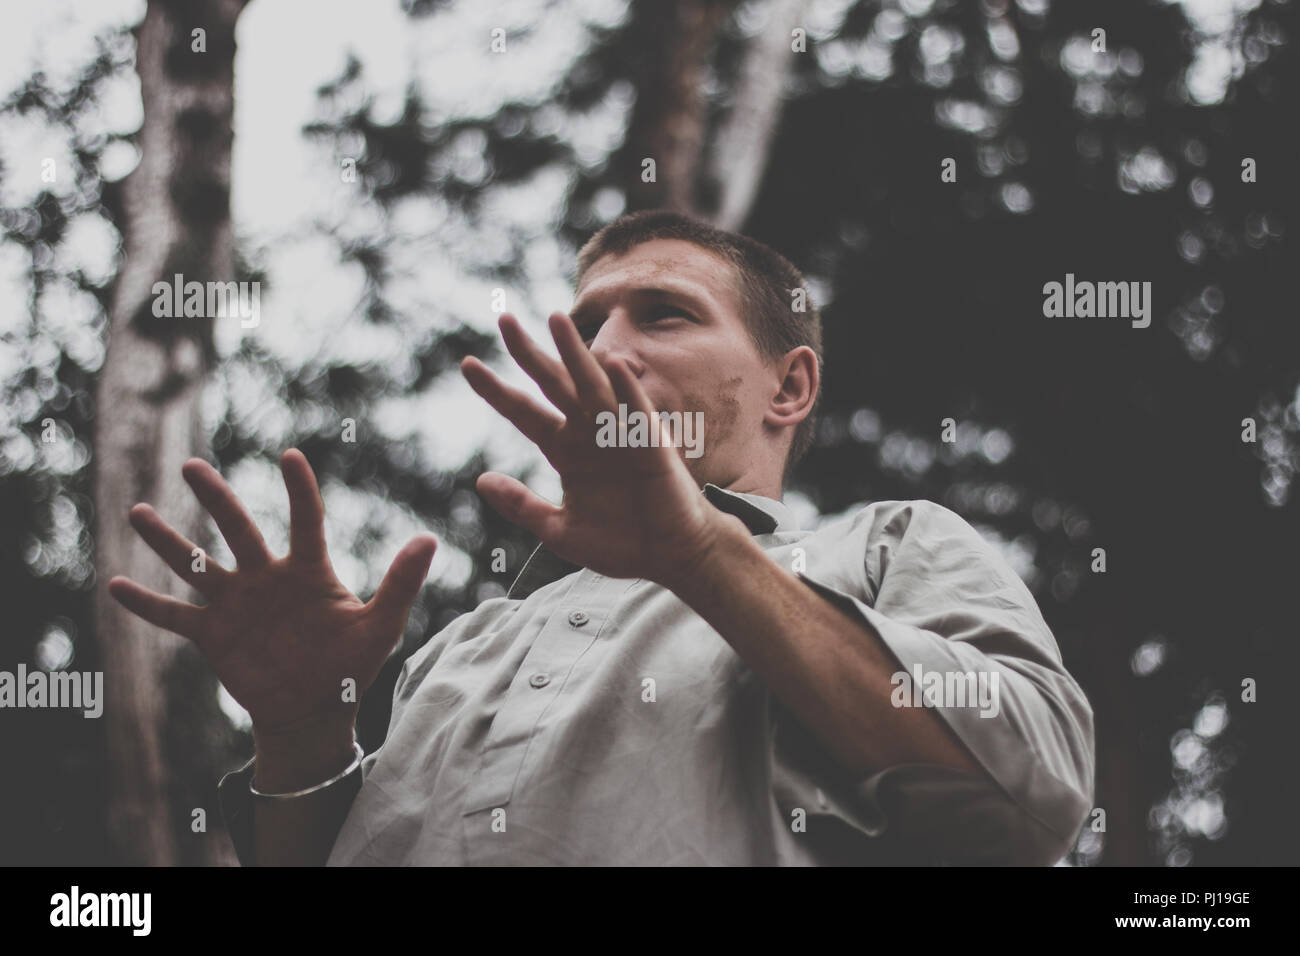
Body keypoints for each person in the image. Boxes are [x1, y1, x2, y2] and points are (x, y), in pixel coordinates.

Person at [109, 210, 1095, 866]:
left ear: (788, 387)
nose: (606, 349)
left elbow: (1034, 787)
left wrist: (704, 555)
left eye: (662, 314)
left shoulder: (884, 547)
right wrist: (301, 736)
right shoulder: (461, 648)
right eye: (584, 327)